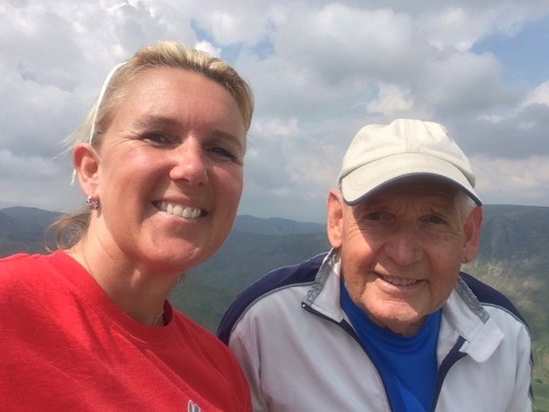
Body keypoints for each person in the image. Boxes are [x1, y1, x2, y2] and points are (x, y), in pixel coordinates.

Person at [0, 41, 254, 411]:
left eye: (221, 150)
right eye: (158, 136)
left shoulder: (221, 370)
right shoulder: (1, 308)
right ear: (91, 170)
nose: (193, 168)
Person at [218, 118, 533, 411]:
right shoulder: (263, 325)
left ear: (469, 234)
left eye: (434, 219)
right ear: (337, 220)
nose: (404, 253)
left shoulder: (504, 336)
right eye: (377, 217)